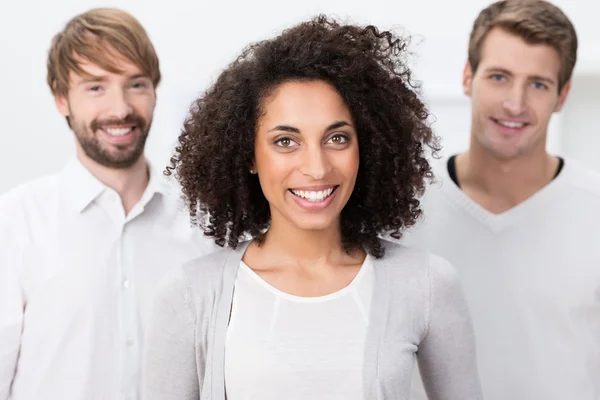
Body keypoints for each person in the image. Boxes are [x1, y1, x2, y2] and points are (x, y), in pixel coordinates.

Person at [142, 15, 483, 400]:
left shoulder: (426, 283)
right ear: (249, 154)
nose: (317, 168)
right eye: (286, 142)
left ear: (364, 146)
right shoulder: (190, 294)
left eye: (337, 138)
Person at [0, 8, 215, 400]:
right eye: (95, 87)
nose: (120, 109)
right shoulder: (14, 224)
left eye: (136, 84)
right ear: (61, 99)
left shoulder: (205, 225)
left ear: (154, 91)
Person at [404, 1, 600, 399]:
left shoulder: (593, 208)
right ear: (467, 77)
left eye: (538, 84)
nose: (515, 103)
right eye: (498, 77)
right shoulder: (404, 209)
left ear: (562, 96)